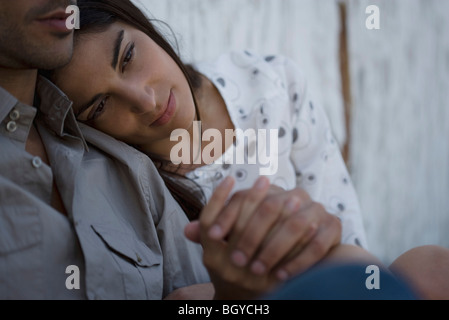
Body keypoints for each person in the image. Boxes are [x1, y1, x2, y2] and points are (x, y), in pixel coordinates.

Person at [0, 0, 380, 300]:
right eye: (101, 106)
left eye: (128, 57)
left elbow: (349, 243)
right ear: (84, 126)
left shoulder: (268, 84)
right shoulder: (132, 183)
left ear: (140, 23)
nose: (145, 101)